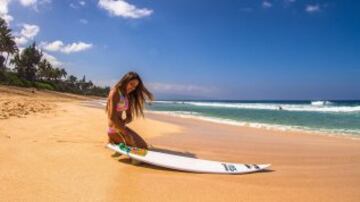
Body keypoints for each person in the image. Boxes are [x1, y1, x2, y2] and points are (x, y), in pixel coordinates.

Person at [105, 72, 154, 150]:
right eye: (131, 84)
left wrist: (124, 122)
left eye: (135, 86)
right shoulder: (115, 92)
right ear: (125, 81)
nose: (133, 88)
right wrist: (125, 133)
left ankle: (116, 141)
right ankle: (113, 139)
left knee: (143, 145)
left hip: (121, 127)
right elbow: (112, 117)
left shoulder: (128, 96)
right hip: (114, 129)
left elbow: (129, 116)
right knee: (140, 146)